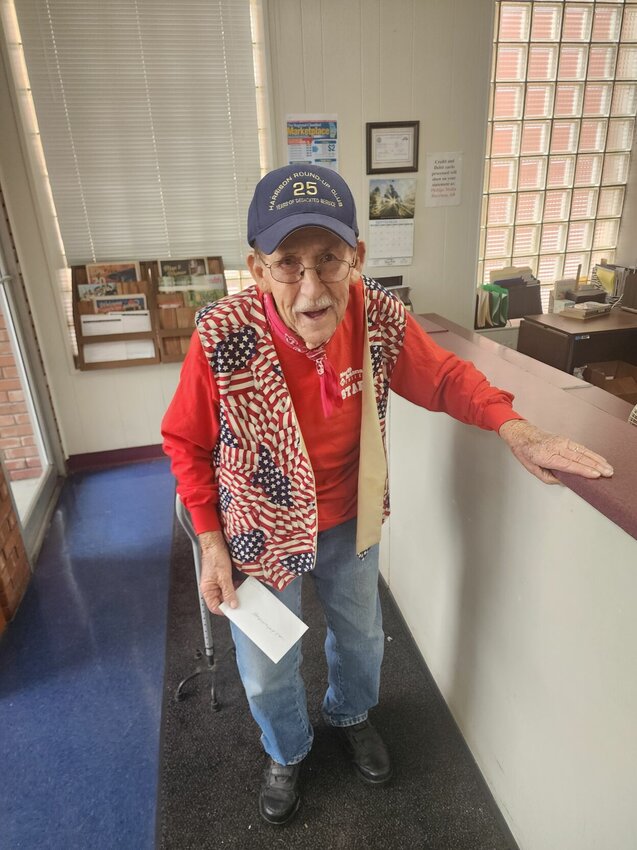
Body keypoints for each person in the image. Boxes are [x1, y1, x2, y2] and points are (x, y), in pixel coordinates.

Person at [161, 164, 613, 826]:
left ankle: (349, 713)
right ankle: (286, 750)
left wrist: (515, 427)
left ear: (356, 258)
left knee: (363, 637)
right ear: (257, 269)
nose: (311, 287)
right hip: (256, 527)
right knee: (266, 666)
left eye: (329, 260)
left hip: (349, 516)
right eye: (288, 264)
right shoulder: (220, 336)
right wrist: (209, 541)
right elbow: (184, 443)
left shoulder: (375, 314)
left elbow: (445, 378)